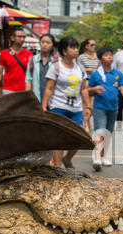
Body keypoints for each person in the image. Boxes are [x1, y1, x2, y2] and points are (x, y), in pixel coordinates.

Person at [42, 37, 91, 169]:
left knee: (80, 136)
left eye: (76, 47)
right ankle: (58, 167)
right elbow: (49, 88)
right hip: (58, 107)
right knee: (58, 138)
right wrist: (44, 106)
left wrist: (88, 106)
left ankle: (67, 158)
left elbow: (84, 89)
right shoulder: (56, 67)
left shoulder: (80, 68)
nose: (76, 50)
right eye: (72, 47)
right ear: (64, 51)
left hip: (76, 109)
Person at [88, 47, 123, 171]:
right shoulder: (95, 74)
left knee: (108, 133)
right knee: (100, 131)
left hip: (114, 108)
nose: (109, 57)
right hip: (99, 107)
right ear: (100, 59)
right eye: (106, 55)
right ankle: (97, 157)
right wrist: (94, 89)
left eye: (110, 55)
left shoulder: (118, 74)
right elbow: (87, 90)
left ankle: (104, 156)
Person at [0, 27, 33, 96]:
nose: (22, 39)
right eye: (19, 37)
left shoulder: (29, 54)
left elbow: (32, 73)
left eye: (24, 37)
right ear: (12, 38)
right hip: (7, 90)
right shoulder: (4, 53)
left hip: (24, 90)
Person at [25, 33, 59, 102]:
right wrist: (28, 97)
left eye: (48, 42)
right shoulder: (32, 59)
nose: (45, 44)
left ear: (52, 45)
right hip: (36, 99)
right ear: (40, 43)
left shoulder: (57, 61)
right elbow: (28, 79)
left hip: (53, 100)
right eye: (43, 42)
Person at [78, 39, 100, 132]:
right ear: (86, 46)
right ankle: (86, 124)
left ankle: (86, 120)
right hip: (85, 82)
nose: (93, 46)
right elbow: (80, 69)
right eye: (91, 45)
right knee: (86, 105)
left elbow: (99, 69)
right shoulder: (81, 57)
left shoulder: (98, 57)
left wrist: (91, 70)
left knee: (92, 105)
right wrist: (88, 70)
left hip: (96, 82)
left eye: (94, 45)